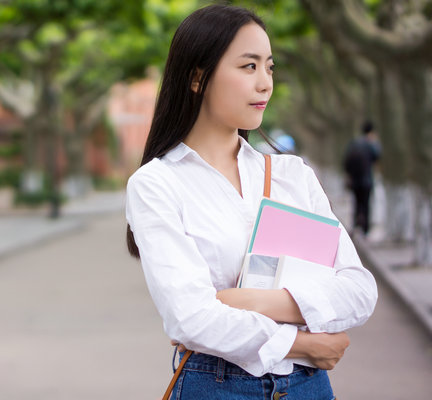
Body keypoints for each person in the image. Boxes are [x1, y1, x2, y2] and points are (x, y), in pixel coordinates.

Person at [125, 5, 378, 399]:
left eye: (270, 68)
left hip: (307, 387)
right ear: (197, 78)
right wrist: (302, 343)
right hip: (217, 385)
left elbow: (359, 291)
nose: (265, 84)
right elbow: (190, 318)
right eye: (249, 67)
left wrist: (248, 300)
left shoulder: (292, 175)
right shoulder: (157, 184)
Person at [343, 120, 381, 236]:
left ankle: (356, 225)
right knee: (366, 204)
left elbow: (346, 161)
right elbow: (377, 156)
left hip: (355, 180)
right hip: (367, 180)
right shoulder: (371, 144)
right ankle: (365, 229)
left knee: (356, 203)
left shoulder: (354, 143)